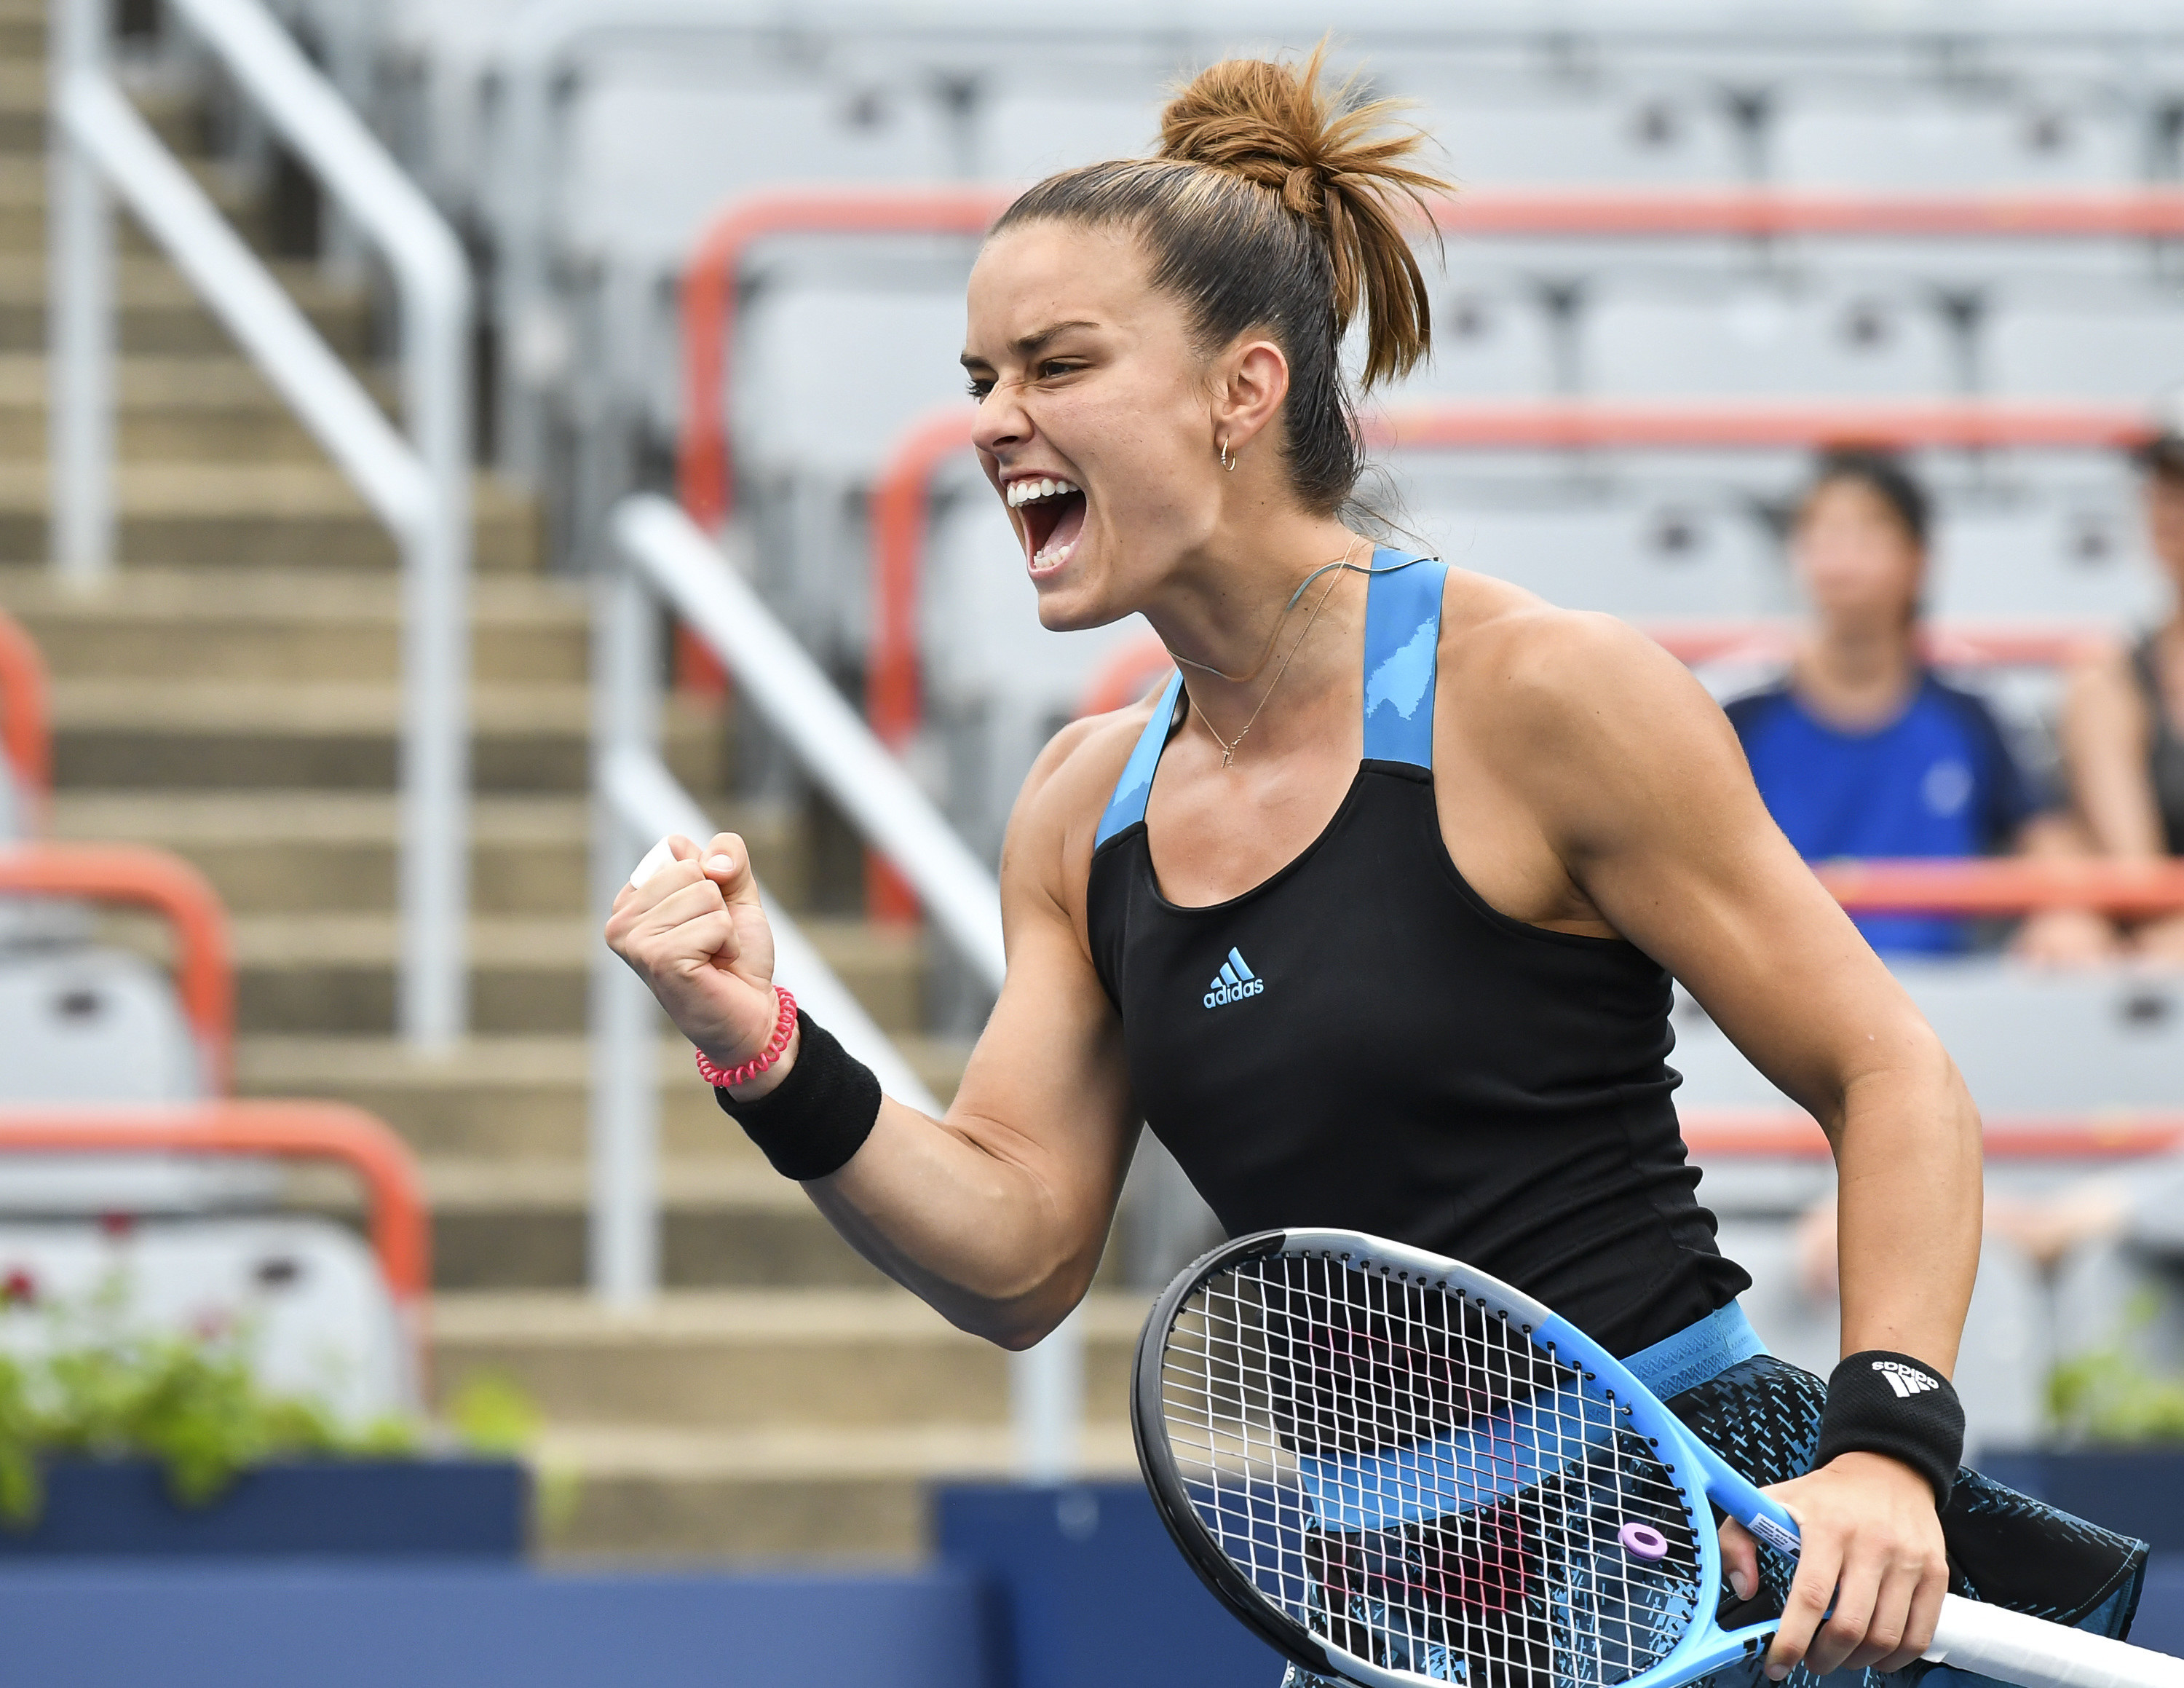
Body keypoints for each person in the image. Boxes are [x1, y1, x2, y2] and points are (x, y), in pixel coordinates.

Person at [608, 49, 2145, 1684]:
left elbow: (1890, 1067)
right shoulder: (1078, 811)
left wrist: (1888, 1443)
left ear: (1243, 389)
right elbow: (1015, 1252)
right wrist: (758, 1047)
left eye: (1054, 366)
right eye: (981, 375)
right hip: (1389, 1603)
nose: (994, 422)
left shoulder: (1547, 697)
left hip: (1708, 1532)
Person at [1726, 451, 2110, 963]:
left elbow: (2047, 836)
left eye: (1867, 534)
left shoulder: (1973, 712)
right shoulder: (1741, 713)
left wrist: (2068, 914)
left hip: (1944, 1003)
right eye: (1821, 534)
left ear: (1918, 559)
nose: (1841, 558)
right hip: (1771, 997)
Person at [2054, 416, 2184, 961]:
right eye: (2164, 486)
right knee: (2066, 943)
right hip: (2159, 949)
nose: (2171, 505)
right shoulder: (2108, 679)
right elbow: (2140, 882)